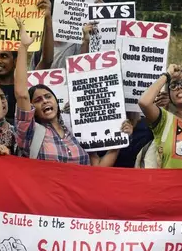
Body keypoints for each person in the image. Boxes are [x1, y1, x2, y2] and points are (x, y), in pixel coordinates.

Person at [13, 18, 124, 165]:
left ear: (56, 102)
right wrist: (23, 47)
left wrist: (120, 139)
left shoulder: (76, 130)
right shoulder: (30, 132)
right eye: (38, 100)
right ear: (32, 109)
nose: (45, 101)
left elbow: (97, 170)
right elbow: (22, 94)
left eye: (48, 97)